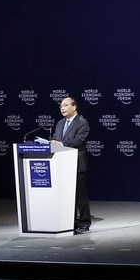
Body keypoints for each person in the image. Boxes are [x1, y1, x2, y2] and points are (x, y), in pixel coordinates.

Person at [51, 95, 91, 233]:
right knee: (66, 196)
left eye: (65, 105)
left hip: (77, 164)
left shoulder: (82, 123)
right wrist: (52, 143)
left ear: (74, 107)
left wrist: (61, 144)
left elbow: (78, 141)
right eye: (61, 106)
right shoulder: (60, 123)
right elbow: (56, 138)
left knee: (80, 196)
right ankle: (70, 221)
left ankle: (84, 222)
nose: (62, 108)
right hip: (62, 164)